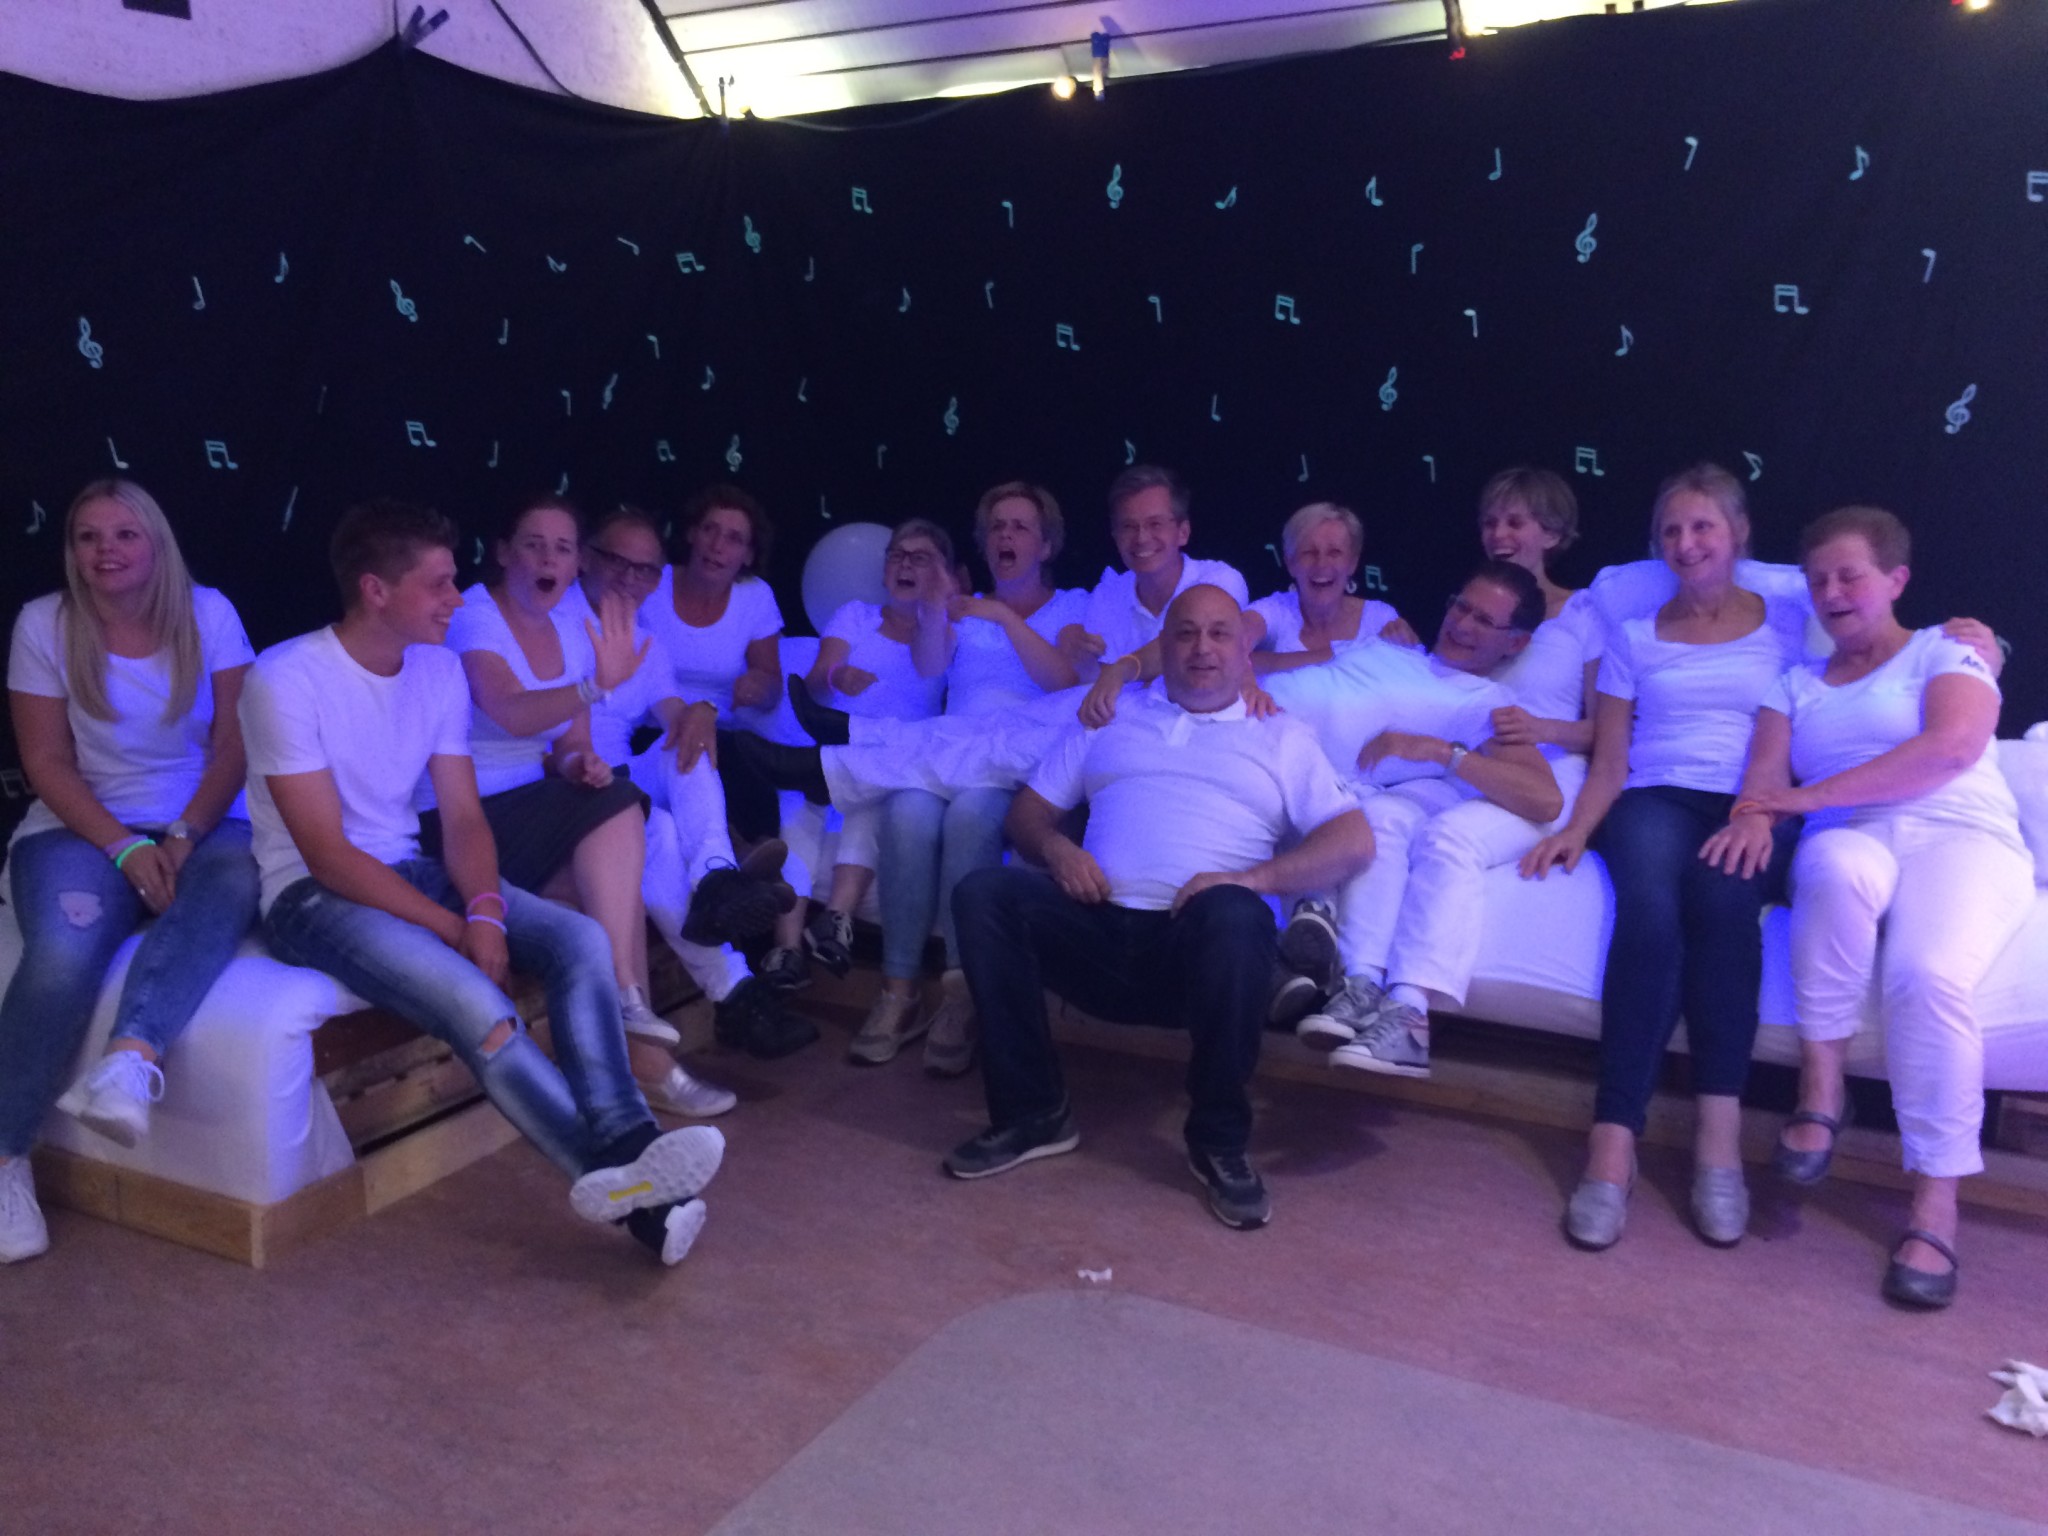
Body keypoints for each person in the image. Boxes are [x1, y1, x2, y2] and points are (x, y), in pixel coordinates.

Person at [243, 499, 722, 1266]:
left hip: (408, 867)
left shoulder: (435, 669)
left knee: (578, 940)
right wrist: (455, 927)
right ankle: (629, 1185)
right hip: (309, 897)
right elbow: (327, 856)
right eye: (437, 584)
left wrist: (488, 909)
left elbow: (463, 818)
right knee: (478, 1005)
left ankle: (630, 1140)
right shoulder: (286, 677)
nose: (455, 599)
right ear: (375, 590)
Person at [942, 585, 1372, 1230]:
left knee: (1238, 913)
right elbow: (1027, 814)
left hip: (1195, 949)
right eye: (1186, 633)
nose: (1202, 648)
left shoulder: (1282, 736)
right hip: (1094, 926)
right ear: (1161, 647)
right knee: (983, 894)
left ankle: (1219, 1142)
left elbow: (1354, 841)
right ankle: (1032, 1113)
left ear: (1244, 651)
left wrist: (1252, 878)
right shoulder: (1112, 715)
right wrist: (1057, 850)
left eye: (1220, 633)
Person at [1705, 507, 2027, 1308]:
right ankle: (1822, 1093)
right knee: (1830, 865)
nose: (1833, 593)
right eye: (1818, 580)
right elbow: (1762, 781)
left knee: (1928, 975)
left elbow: (1951, 748)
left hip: (1963, 834)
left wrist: (1804, 798)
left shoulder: (1947, 650)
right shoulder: (1793, 685)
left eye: (1850, 575)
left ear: (1896, 580)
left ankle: (1936, 1206)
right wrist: (1755, 815)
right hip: (1854, 834)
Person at [1522, 465, 1811, 1252]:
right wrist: (1577, 828)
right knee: (1650, 914)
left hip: (1753, 801)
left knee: (1724, 900)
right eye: (1672, 532)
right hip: (1654, 796)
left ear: (1738, 534)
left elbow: (1874, 632)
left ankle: (1720, 1141)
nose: (1686, 544)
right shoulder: (1635, 637)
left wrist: (1968, 643)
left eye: (1702, 527)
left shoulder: (1790, 622)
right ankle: (1612, 1145)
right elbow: (1612, 762)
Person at [1, 481, 260, 1265]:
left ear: (156, 543)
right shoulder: (44, 622)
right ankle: (5, 1164)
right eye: (88, 536)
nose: (105, 550)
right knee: (63, 952)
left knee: (234, 883)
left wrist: (183, 834)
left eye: (123, 534)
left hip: (204, 822)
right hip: (80, 830)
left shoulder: (209, 612)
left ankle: (127, 1063)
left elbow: (236, 745)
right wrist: (123, 847)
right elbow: (45, 761)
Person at [1278, 474, 1605, 1066]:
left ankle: (1410, 1016)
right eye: (1460, 608)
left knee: (1449, 838)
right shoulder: (1436, 648)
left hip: (1539, 763)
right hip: (1468, 759)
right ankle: (1360, 984)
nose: (1499, 534)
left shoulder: (1580, 617)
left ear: (1553, 534)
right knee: (1380, 815)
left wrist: (1506, 737)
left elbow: (1589, 749)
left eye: (1515, 522)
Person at [434, 496, 733, 1117]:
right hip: (463, 817)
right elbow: (509, 710)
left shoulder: (571, 629)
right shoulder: (475, 614)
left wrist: (581, 766)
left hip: (532, 810)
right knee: (622, 813)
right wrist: (596, 685)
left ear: (575, 565)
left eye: (562, 549)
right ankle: (635, 1024)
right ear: (503, 553)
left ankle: (636, 1056)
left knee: (612, 877)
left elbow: (569, 744)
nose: (549, 559)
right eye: (534, 545)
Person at [563, 506, 810, 1060]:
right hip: (566, 778)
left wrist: (698, 711)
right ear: (586, 559)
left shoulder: (645, 640)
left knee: (691, 742)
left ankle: (717, 878)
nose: (630, 578)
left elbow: (672, 709)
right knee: (663, 835)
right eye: (617, 562)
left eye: (644, 569)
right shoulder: (554, 621)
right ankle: (736, 991)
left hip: (618, 776)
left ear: (657, 578)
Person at [873, 483, 1085, 1077]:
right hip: (954, 753)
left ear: (1045, 545)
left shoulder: (1072, 605)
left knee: (971, 817)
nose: (1005, 536)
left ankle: (962, 995)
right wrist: (936, 607)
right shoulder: (963, 610)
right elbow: (928, 666)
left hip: (1020, 761)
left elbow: (1064, 681)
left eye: (1019, 527)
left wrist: (1002, 616)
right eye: (996, 527)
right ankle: (898, 992)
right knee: (904, 812)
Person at [793, 518, 954, 1062]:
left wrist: (937, 605)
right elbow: (816, 679)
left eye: (920, 557)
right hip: (849, 755)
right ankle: (812, 935)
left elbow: (937, 669)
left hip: (906, 765)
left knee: (881, 778)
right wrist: (837, 678)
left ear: (944, 570)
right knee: (851, 788)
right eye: (897, 555)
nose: (905, 565)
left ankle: (835, 917)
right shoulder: (855, 616)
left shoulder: (949, 629)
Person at [640, 485, 810, 990]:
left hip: (727, 730)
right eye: (710, 530)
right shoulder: (652, 586)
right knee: (694, 765)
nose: (718, 545)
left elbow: (770, 684)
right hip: (653, 728)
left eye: (734, 538)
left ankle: (748, 925)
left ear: (749, 554)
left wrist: (757, 686)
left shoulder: (755, 598)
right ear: (691, 535)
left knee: (749, 780)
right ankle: (739, 867)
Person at [1245, 500, 1415, 674]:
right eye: (1309, 552)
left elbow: (1414, 673)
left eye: (1334, 552)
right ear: (1290, 563)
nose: (1321, 564)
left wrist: (1410, 642)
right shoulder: (1273, 610)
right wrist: (1352, 652)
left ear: (1353, 562)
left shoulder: (1380, 619)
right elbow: (1233, 651)